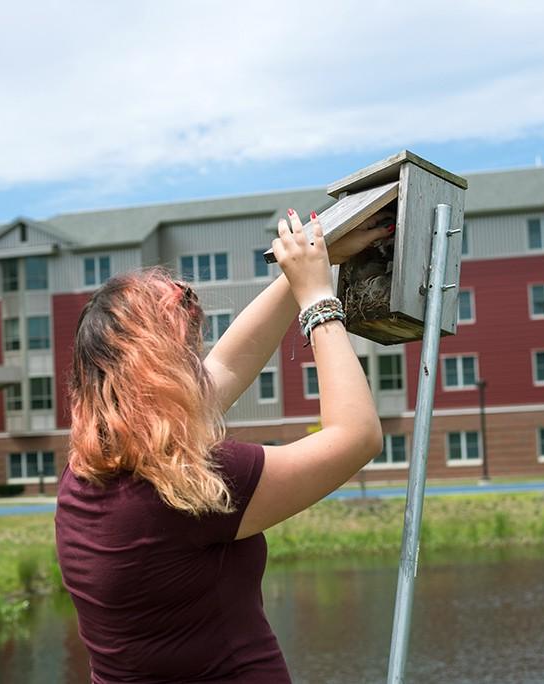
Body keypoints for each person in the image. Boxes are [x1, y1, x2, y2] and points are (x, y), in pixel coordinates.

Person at [55, 209, 390, 683]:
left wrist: (311, 265)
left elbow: (230, 365)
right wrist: (318, 299)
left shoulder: (86, 478)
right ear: (158, 372)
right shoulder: (188, 488)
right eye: (185, 352)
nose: (197, 360)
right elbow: (356, 436)